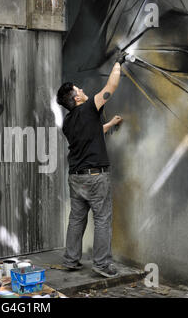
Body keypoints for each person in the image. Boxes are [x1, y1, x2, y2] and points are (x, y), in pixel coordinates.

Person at [56, 52, 126, 278]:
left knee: (76, 218)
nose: (84, 91)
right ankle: (102, 264)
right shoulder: (89, 108)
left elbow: (91, 135)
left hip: (76, 177)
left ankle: (71, 259)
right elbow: (111, 86)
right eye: (80, 90)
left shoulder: (68, 122)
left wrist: (110, 123)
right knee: (102, 219)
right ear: (76, 98)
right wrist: (118, 62)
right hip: (96, 177)